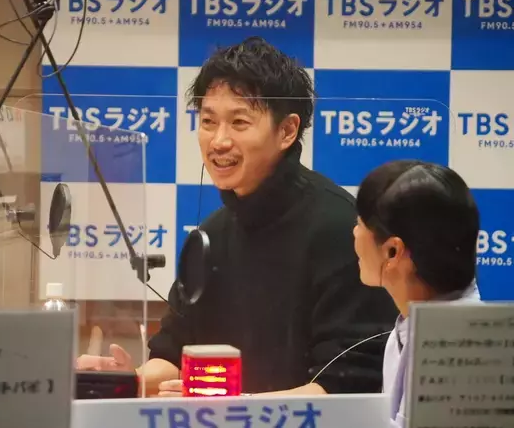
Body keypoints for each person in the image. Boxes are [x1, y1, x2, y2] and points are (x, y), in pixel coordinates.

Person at [77, 36, 397, 396]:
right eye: (208, 121)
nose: (219, 141)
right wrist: (128, 381)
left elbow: (346, 385)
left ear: (287, 131)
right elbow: (174, 352)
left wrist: (236, 408)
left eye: (239, 122)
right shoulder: (211, 234)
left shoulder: (340, 228)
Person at [353, 160, 481, 427]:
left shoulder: (457, 354)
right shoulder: (410, 329)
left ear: (392, 251)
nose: (354, 232)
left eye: (360, 223)